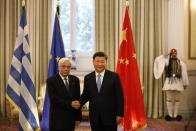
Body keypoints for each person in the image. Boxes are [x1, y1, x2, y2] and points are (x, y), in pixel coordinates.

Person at [79, 51, 124, 131]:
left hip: (110, 116)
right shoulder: (88, 78)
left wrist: (120, 114)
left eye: (102, 62)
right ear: (93, 62)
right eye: (97, 61)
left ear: (106, 62)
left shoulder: (114, 77)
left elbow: (120, 97)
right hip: (94, 117)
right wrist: (78, 103)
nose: (100, 64)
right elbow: (86, 95)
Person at [154, 48, 189, 121]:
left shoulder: (181, 63)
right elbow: (157, 60)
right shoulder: (166, 62)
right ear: (170, 54)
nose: (174, 54)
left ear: (177, 53)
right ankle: (170, 115)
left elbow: (184, 74)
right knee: (169, 100)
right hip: (169, 83)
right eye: (172, 53)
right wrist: (164, 55)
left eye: (175, 53)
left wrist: (185, 83)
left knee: (177, 100)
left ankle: (175, 115)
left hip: (178, 83)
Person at [47, 57, 81, 131]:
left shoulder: (75, 80)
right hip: (57, 118)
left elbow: (77, 99)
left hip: (70, 118)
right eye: (63, 66)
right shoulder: (51, 81)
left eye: (68, 67)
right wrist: (70, 104)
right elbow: (53, 99)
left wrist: (78, 117)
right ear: (59, 67)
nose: (66, 69)